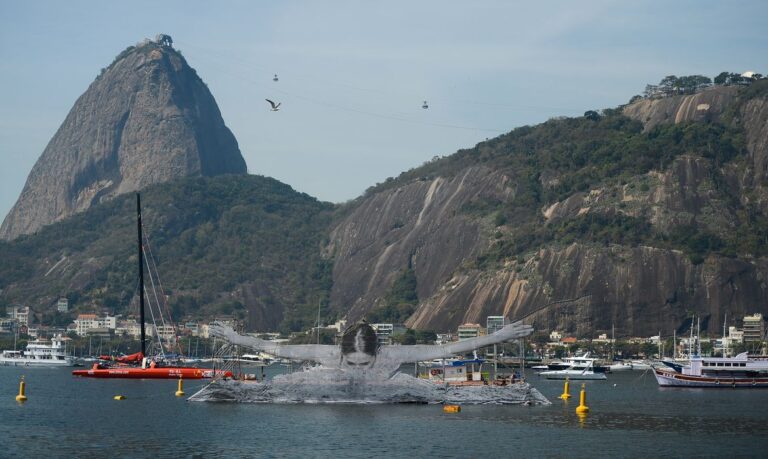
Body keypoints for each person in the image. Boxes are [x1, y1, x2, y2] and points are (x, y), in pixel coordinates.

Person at [210, 319, 533, 378]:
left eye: (365, 364)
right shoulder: (326, 354)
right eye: (354, 364)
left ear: (378, 354)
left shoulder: (395, 355)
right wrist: (238, 340)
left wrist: (494, 337)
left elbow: (450, 349)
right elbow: (275, 348)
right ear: (341, 354)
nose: (359, 369)